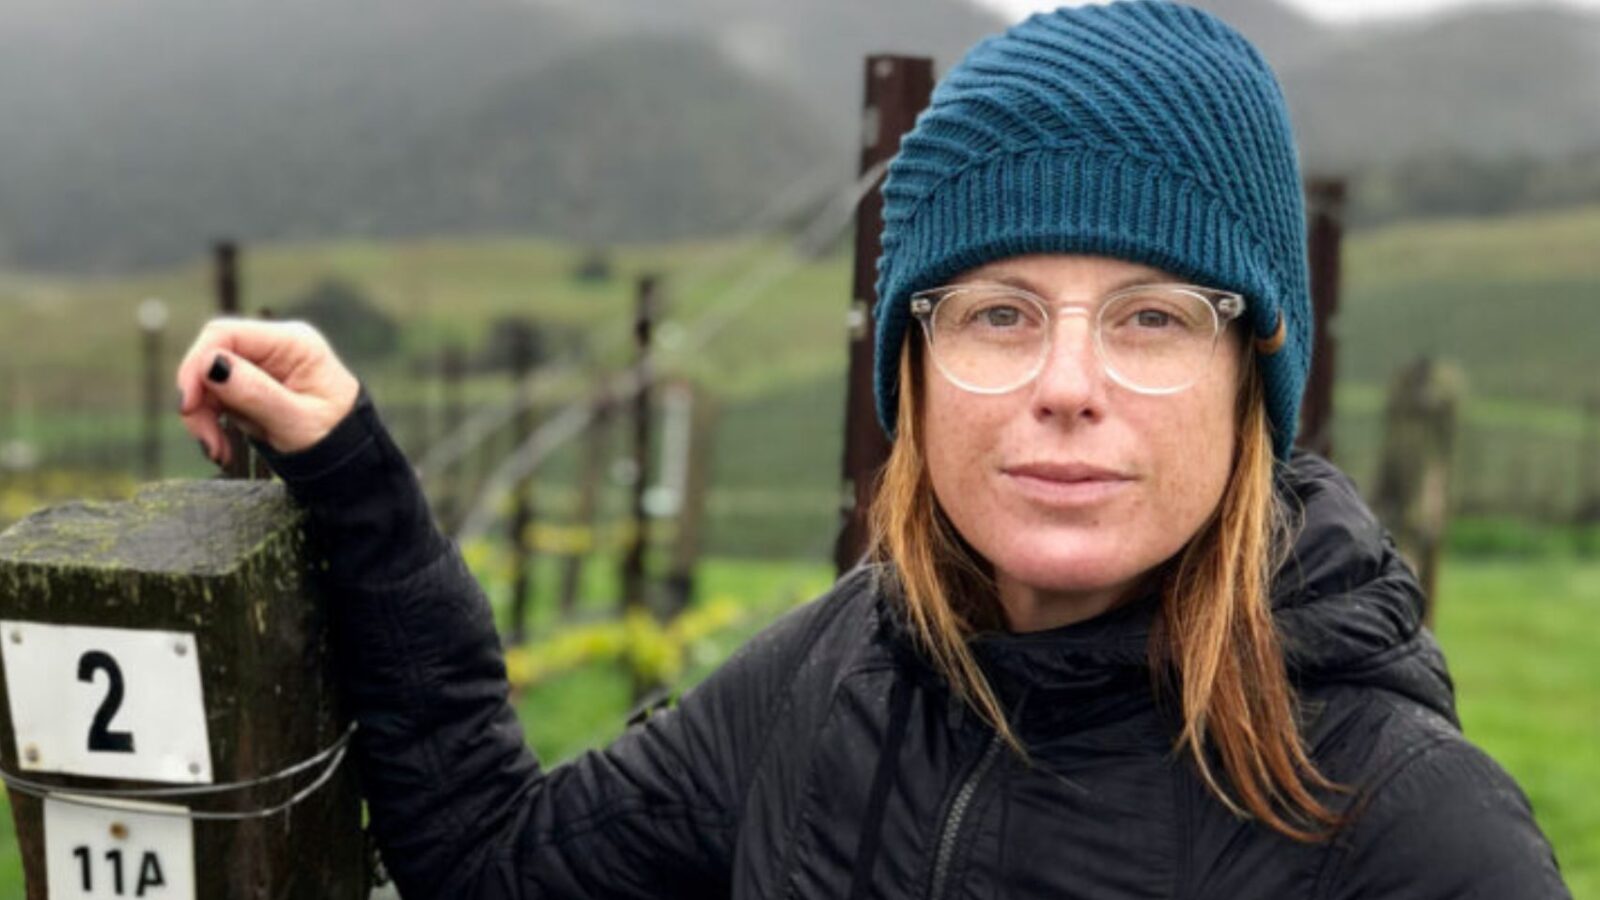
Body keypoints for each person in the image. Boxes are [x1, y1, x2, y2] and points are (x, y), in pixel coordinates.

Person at [176, 2, 1571, 897]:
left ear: (1253, 377)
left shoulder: (1415, 841)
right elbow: (499, 864)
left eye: (1153, 317)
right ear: (910, 365)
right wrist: (353, 472)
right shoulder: (841, 674)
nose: (1065, 385)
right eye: (996, 312)